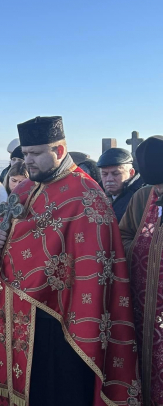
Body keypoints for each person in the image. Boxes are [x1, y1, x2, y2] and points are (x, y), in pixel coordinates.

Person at [0, 116, 139, 406]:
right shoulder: (25, 189)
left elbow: (96, 264)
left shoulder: (87, 195)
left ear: (58, 149)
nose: (28, 161)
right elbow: (0, 229)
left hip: (61, 317)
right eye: (25, 154)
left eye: (36, 154)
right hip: (17, 312)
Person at [119, 135, 163, 405]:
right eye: (156, 186)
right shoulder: (142, 196)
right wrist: (141, 251)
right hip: (141, 305)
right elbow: (123, 234)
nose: (159, 192)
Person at [97, 147, 145, 222]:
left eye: (115, 174)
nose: (109, 179)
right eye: (104, 174)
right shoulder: (95, 194)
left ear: (131, 173)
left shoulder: (141, 196)